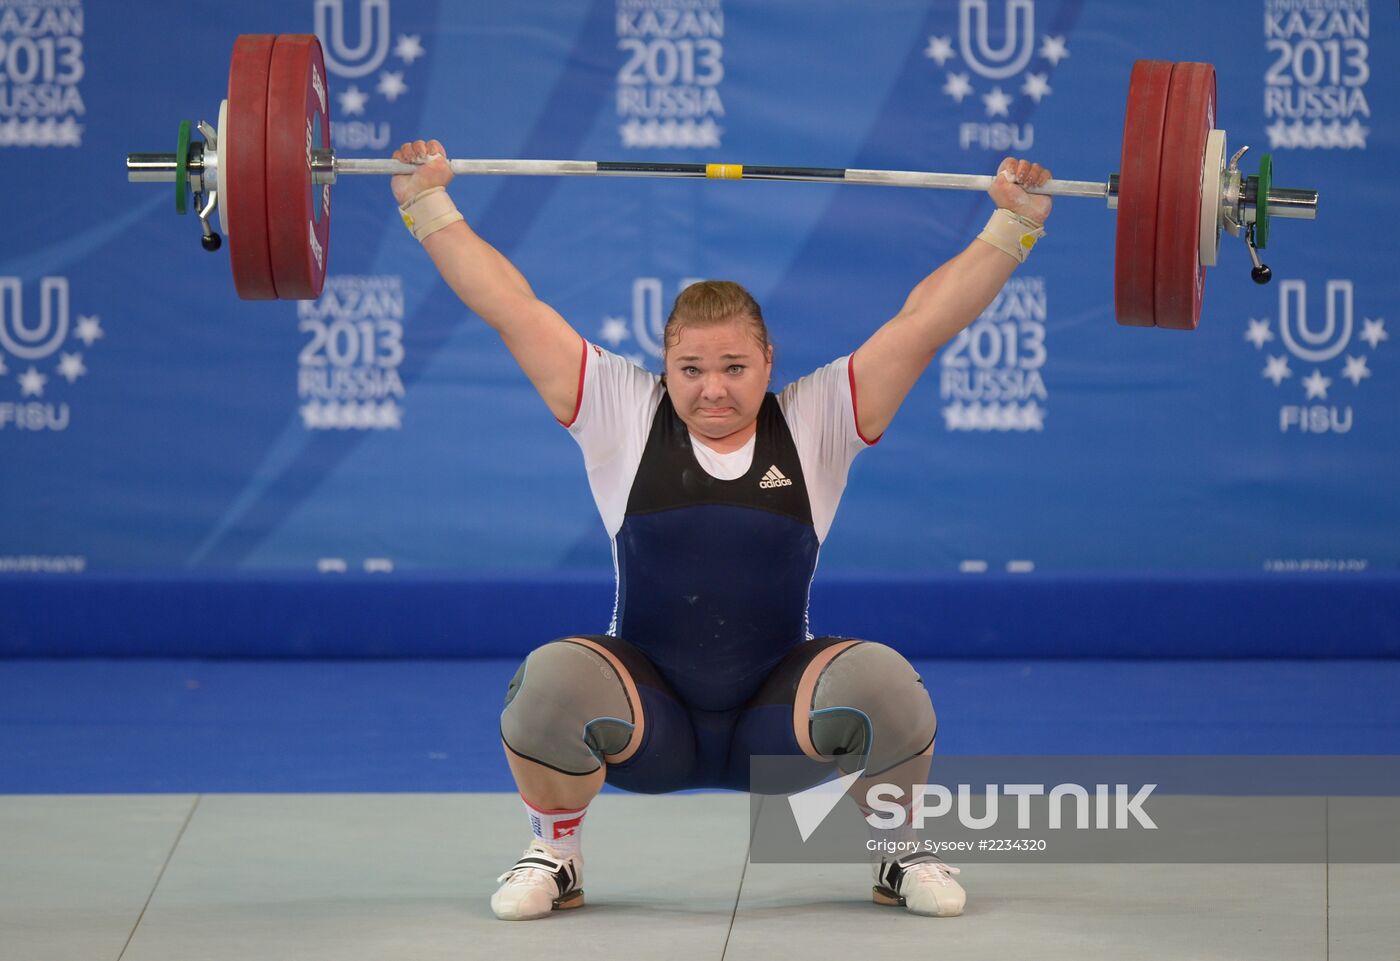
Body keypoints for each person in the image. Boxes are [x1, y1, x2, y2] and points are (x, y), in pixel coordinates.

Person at [390, 139, 1053, 921]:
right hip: (647, 716)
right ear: (663, 365)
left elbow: (922, 323)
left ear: (768, 362)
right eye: (692, 369)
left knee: (885, 681)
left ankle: (896, 852)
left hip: (779, 720)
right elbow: (511, 306)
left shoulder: (816, 419)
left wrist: (1013, 226)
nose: (711, 390)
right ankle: (555, 853)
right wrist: (426, 205)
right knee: (548, 681)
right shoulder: (622, 413)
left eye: (734, 367)